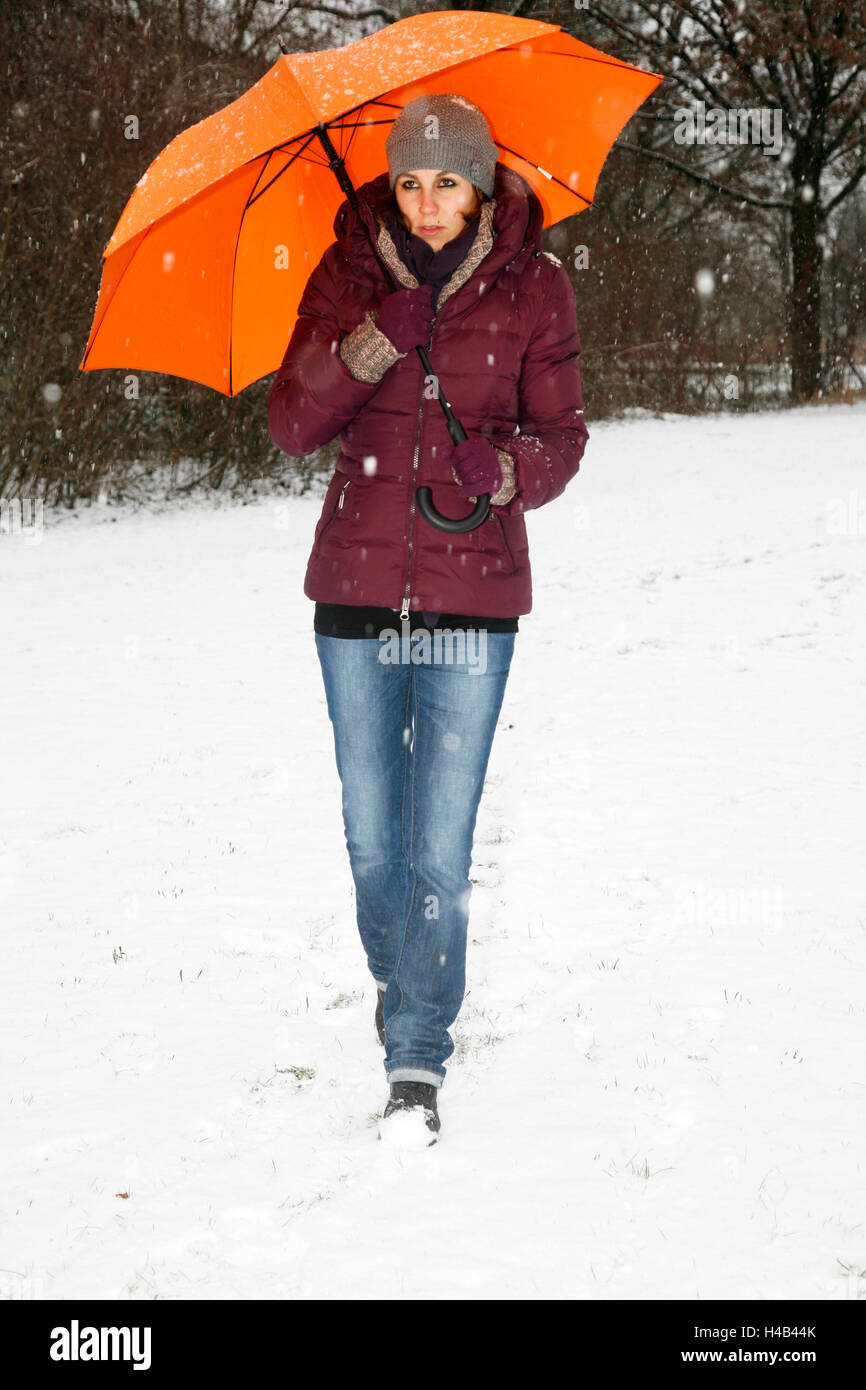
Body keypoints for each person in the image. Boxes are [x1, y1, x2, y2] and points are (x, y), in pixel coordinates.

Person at [268, 93, 588, 1147]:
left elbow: (562, 438)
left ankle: (415, 1047)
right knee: (373, 842)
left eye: (447, 179)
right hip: (354, 596)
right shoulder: (347, 274)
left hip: (473, 598)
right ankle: (404, 968)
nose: (428, 200)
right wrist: (365, 343)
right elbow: (289, 425)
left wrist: (500, 469)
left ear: (483, 181)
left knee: (438, 847)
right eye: (410, 180)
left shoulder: (536, 288)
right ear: (391, 184)